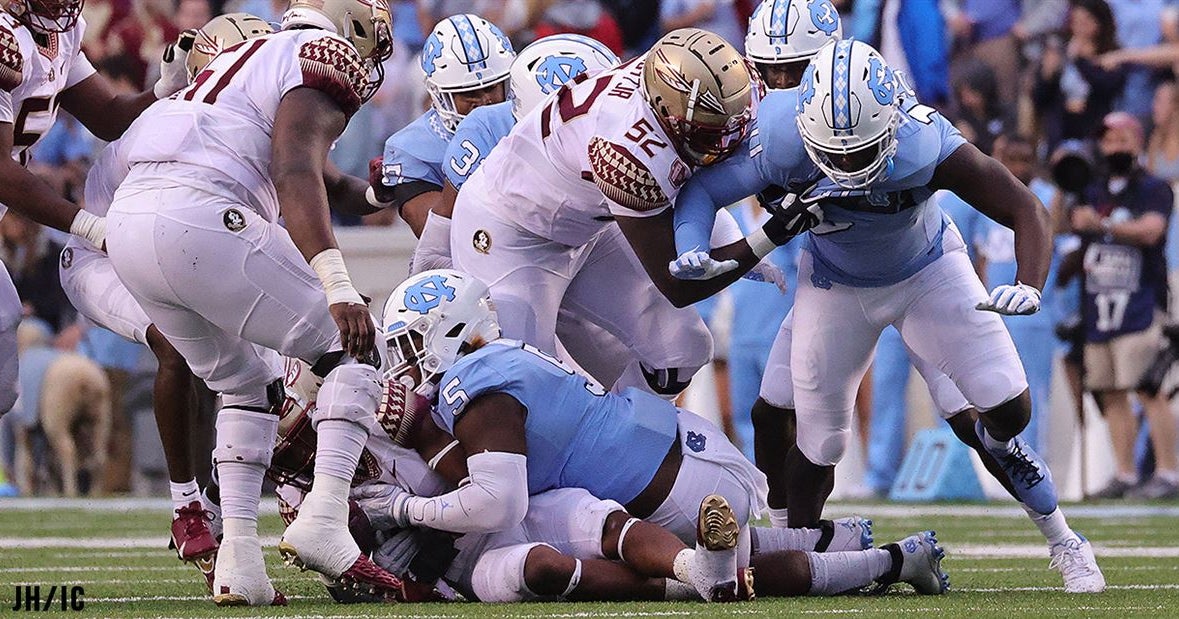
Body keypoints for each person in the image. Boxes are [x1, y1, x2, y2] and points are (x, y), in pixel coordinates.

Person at [669, 39, 1105, 593]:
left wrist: (1029, 281)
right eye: (837, 154)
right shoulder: (781, 134)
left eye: (861, 152)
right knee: (820, 441)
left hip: (928, 272)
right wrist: (689, 241)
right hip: (835, 284)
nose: (849, 165)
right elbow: (702, 190)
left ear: (891, 124)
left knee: (1009, 408)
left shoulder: (926, 140)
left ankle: (1065, 539)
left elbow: (1025, 206)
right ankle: (798, 555)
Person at [369, 268, 947, 601]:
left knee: (732, 582)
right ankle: (851, 541)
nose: (406, 362)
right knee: (735, 560)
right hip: (681, 452)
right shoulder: (499, 363)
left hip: (672, 486)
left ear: (451, 332)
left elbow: (498, 501)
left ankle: (894, 561)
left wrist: (403, 506)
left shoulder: (476, 381)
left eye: (412, 344)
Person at [103, 0, 404, 605]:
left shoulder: (245, 54)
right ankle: (323, 517)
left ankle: (239, 562)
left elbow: (323, 178)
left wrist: (386, 188)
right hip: (202, 216)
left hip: (130, 225)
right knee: (356, 350)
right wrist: (338, 284)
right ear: (350, 31)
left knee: (247, 383)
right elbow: (294, 170)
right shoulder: (322, 57)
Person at [57, 12, 274, 581]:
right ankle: (186, 506)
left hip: (157, 250)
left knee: (234, 363)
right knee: (180, 342)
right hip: (102, 254)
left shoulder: (244, 130)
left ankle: (219, 502)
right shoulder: (176, 123)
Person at [447, 28, 765, 400]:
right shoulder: (623, 151)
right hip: (510, 236)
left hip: (587, 227)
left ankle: (624, 443)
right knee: (526, 390)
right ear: (667, 115)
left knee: (682, 348)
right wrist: (767, 236)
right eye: (710, 132)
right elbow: (678, 285)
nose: (724, 143)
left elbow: (693, 185)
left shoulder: (692, 83)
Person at [0, 0, 193, 422]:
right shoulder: (4, 40)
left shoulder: (58, 33)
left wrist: (162, 90)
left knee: (3, 368)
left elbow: (107, 117)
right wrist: (85, 224)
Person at [1072, 112, 1178, 500]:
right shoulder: (1094, 188)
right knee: (1110, 391)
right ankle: (1126, 472)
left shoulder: (1152, 188)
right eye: (1108, 141)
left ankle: (1168, 472)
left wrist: (1101, 226)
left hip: (1140, 303)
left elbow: (1151, 230)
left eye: (1122, 140)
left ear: (1137, 141)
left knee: (1148, 389)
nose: (1114, 148)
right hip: (1099, 304)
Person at [372, 14, 515, 237]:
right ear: (439, 95)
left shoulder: (528, 117)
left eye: (492, 87)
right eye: (469, 93)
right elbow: (438, 234)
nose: (486, 101)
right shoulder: (410, 148)